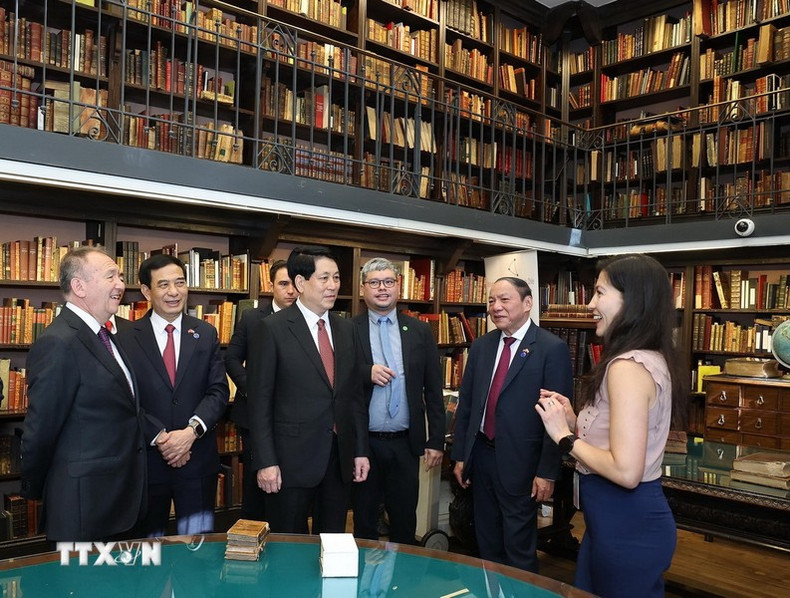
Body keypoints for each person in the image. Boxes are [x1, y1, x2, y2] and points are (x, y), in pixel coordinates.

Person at [536, 254, 688, 598]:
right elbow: (624, 435)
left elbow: (625, 470)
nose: (590, 304)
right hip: (611, 524)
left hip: (626, 526)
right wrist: (575, 417)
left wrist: (564, 436)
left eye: (599, 293)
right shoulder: (648, 357)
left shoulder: (626, 367)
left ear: (631, 300)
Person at [21, 247, 147, 541]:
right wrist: (40, 490)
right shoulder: (59, 342)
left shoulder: (106, 336)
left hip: (120, 504)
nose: (120, 284)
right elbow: (40, 430)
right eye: (110, 276)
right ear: (79, 286)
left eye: (120, 275)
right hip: (84, 508)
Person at [452, 276, 573, 572]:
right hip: (481, 457)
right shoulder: (481, 346)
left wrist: (547, 472)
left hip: (523, 465)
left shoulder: (550, 348)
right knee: (486, 542)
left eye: (505, 300)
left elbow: (557, 416)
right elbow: (467, 405)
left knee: (518, 549)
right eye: (492, 301)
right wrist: (460, 455)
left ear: (527, 303)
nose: (496, 307)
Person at [247, 246, 370, 534]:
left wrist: (361, 450)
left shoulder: (346, 329)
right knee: (289, 545)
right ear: (301, 283)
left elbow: (353, 397)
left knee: (333, 542)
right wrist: (266, 461)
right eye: (324, 278)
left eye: (337, 278)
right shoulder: (272, 329)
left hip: (338, 459)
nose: (333, 285)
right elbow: (260, 402)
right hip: (291, 461)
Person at [118, 254, 229, 536]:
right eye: (164, 284)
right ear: (146, 291)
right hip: (147, 463)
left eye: (180, 283)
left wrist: (190, 433)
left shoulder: (205, 333)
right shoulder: (124, 337)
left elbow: (218, 391)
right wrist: (162, 438)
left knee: (198, 551)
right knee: (146, 553)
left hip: (197, 461)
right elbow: (123, 399)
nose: (174, 292)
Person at [351, 258, 445, 545]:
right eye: (375, 283)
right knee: (364, 520)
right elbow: (335, 381)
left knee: (404, 520)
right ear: (363, 288)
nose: (382, 288)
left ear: (398, 286)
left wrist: (436, 440)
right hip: (364, 444)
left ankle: (401, 584)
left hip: (406, 443)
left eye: (389, 282)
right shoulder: (347, 329)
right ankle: (362, 585)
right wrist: (365, 373)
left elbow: (433, 389)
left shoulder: (419, 330)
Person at [225, 259, 297, 520]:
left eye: (294, 284)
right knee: (258, 486)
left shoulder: (305, 320)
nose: (290, 290)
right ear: (271, 286)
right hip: (255, 417)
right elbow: (231, 358)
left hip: (293, 419)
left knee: (287, 488)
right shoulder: (253, 318)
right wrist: (252, 388)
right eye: (283, 283)